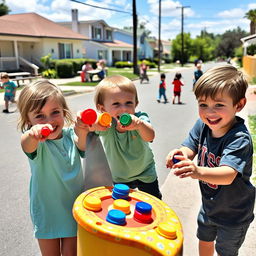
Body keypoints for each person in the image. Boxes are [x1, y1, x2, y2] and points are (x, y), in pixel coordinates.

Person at [166, 65, 255, 256]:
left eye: (219, 105)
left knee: (225, 251)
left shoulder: (239, 138)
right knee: (204, 239)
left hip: (234, 214)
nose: (209, 112)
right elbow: (189, 146)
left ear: (238, 105)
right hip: (210, 206)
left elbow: (228, 175)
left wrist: (197, 171)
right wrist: (179, 154)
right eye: (203, 104)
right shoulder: (203, 125)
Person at [17, 80, 86, 256]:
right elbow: (26, 145)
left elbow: (84, 147)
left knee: (72, 253)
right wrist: (32, 134)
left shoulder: (71, 135)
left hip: (73, 208)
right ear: (28, 120)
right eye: (39, 116)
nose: (49, 121)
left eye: (55, 112)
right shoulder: (37, 143)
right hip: (47, 211)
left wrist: (83, 129)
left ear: (64, 112)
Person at [76, 75, 162, 199]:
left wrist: (139, 125)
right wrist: (86, 122)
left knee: (153, 203)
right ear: (102, 108)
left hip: (146, 172)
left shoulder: (139, 119)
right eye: (116, 104)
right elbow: (89, 127)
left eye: (129, 103)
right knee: (122, 206)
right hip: (120, 177)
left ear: (136, 104)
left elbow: (150, 136)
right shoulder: (106, 125)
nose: (124, 109)